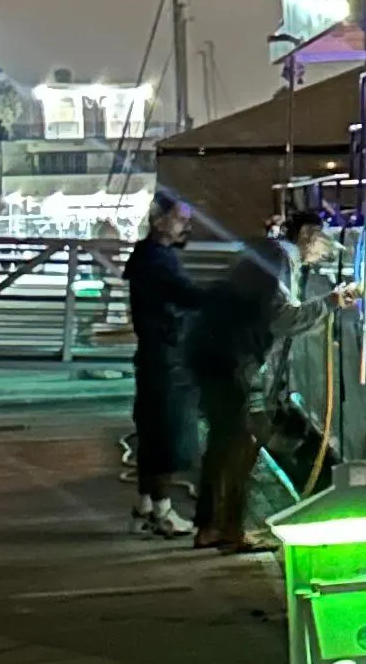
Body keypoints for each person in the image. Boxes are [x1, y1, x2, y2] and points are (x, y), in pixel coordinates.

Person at [185, 208, 353, 551]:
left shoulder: (267, 254)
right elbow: (282, 319)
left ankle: (211, 527)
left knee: (224, 443)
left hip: (213, 352)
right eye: (323, 243)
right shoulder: (280, 258)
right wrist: (331, 302)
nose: (323, 254)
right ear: (306, 234)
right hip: (229, 358)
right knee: (237, 445)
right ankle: (227, 530)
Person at [122, 194, 201, 537]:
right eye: (181, 219)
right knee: (167, 434)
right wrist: (233, 297)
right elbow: (188, 295)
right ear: (159, 220)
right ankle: (164, 511)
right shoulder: (159, 261)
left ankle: (146, 506)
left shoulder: (146, 256)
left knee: (152, 430)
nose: (187, 226)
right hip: (166, 356)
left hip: (154, 354)